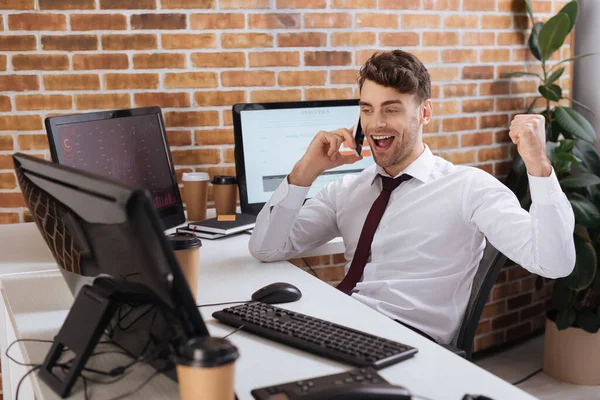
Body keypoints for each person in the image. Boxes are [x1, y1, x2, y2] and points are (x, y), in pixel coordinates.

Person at [248, 50, 575, 344]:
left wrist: (539, 165)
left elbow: (553, 263)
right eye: (367, 109)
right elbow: (267, 248)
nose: (376, 124)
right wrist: (306, 171)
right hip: (341, 326)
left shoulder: (469, 188)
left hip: (409, 345)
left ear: (425, 113)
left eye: (391, 110)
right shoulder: (348, 189)